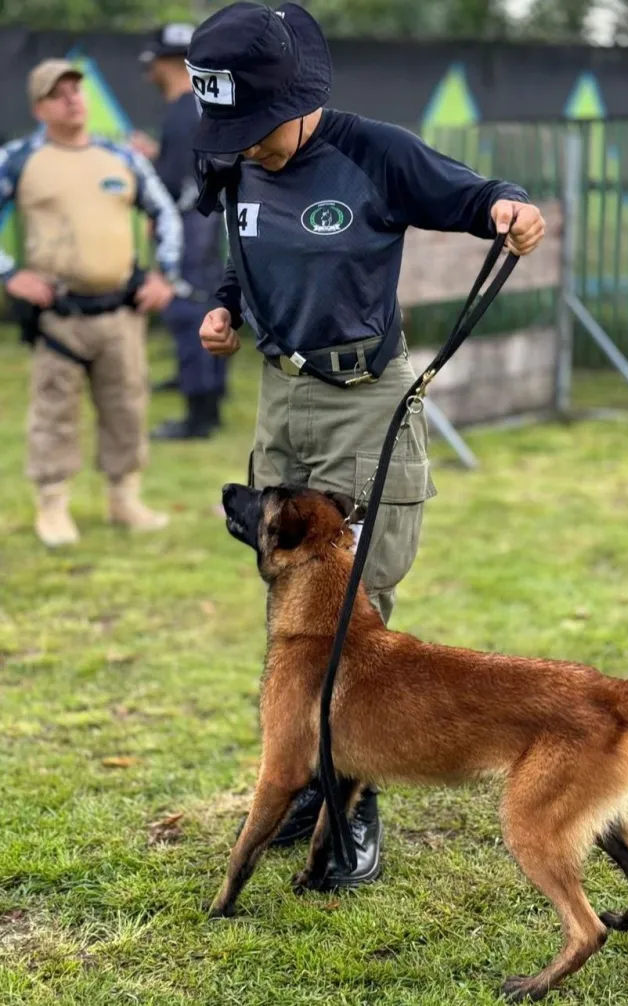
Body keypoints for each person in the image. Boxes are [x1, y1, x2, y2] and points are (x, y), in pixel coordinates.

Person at [191, 2, 545, 889]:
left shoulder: (373, 151)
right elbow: (243, 248)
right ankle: (301, 779)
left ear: (295, 101)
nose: (245, 146)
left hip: (362, 399)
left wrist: (511, 207)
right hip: (281, 396)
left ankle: (350, 808)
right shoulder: (237, 159)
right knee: (290, 602)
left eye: (255, 127)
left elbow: (475, 197)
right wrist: (226, 306)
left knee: (354, 608)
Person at [0, 59, 182, 547]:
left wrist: (165, 275)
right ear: (39, 108)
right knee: (54, 412)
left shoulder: (119, 157)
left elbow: (165, 212)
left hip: (120, 312)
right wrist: (10, 274)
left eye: (76, 91)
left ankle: (124, 499)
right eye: (57, 94)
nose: (72, 100)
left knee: (127, 406)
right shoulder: (19, 159)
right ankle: (53, 506)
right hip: (58, 317)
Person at [132, 24, 229, 440]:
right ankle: (210, 396)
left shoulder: (180, 113)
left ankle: (199, 415)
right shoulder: (200, 109)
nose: (148, 70)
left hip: (189, 227)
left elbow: (174, 186)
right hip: (206, 221)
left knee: (187, 309)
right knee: (209, 306)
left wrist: (157, 214)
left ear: (168, 62)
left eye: (152, 61)